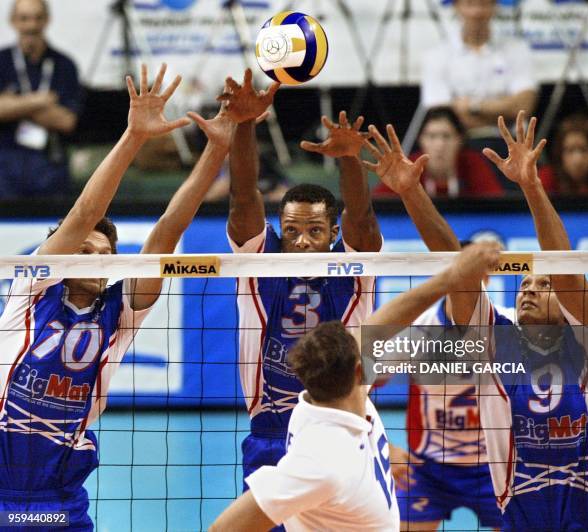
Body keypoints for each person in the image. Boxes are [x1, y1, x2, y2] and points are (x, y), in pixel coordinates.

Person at [0, 63, 234, 528]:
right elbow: (87, 210)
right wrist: (133, 137)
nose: (92, 258)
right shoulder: (33, 289)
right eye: (82, 249)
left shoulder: (120, 314)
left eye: (103, 253)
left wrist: (218, 150)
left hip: (60, 497)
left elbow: (168, 230)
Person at [210, 243, 502, 532]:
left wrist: (452, 278)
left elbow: (385, 322)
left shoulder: (334, 398)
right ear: (359, 370)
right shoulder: (319, 462)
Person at [218, 69, 383, 494]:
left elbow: (361, 219)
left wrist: (348, 156)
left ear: (333, 234)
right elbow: (242, 198)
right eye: (292, 231)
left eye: (314, 231)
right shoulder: (260, 264)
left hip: (342, 431)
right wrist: (244, 124)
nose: (302, 241)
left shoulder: (351, 273)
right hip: (270, 435)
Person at [444, 111, 588, 530]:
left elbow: (566, 271)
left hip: (587, 514)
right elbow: (456, 270)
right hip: (520, 516)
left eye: (543, 284)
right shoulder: (497, 343)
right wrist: (410, 194)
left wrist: (532, 186)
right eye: (523, 283)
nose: (528, 289)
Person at [364, 124, 504, 530]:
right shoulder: (418, 332)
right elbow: (349, 383)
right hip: (428, 469)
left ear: (486, 279)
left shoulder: (503, 326)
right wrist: (384, 444)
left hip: (493, 466)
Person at [420, 0, 537, 177]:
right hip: (460, 146)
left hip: (510, 144)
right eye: (469, 4)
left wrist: (472, 107)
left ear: (494, 6)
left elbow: (524, 106)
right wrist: (504, 110)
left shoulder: (516, 49)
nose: (476, 12)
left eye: (483, 4)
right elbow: (441, 115)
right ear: (456, 6)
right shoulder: (437, 55)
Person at [0, 0, 82, 198]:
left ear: (47, 20)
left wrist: (14, 104)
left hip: (49, 164)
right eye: (24, 18)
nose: (31, 25)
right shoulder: (2, 61)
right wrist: (40, 101)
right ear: (13, 21)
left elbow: (66, 121)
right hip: (6, 163)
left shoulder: (64, 65)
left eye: (37, 18)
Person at [373, 106, 503, 198]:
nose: (439, 145)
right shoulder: (409, 166)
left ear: (460, 140)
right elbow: (377, 205)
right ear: (421, 140)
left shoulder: (473, 163)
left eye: (446, 136)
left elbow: (497, 206)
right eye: (432, 136)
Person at [539, 114, 588, 195]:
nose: (577, 160)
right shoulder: (546, 178)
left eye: (584, 150)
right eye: (570, 151)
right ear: (560, 154)